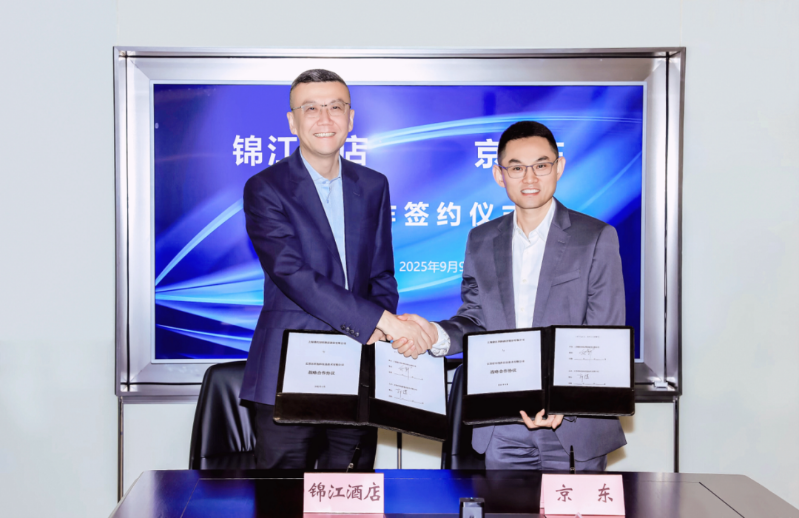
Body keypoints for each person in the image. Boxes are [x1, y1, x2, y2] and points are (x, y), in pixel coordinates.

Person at [394, 121, 626, 470]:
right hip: (502, 425)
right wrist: (435, 334)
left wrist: (566, 400)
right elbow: (475, 319)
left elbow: (603, 333)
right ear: (499, 175)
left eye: (541, 165)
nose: (529, 178)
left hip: (572, 426)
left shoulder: (595, 237)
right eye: (516, 168)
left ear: (559, 167)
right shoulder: (481, 240)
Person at [240, 69, 432, 470]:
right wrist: (380, 320)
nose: (325, 119)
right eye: (310, 108)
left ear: (351, 118)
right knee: (282, 498)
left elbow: (381, 273)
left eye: (335, 107)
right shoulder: (265, 187)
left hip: (358, 368)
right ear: (292, 121)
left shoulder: (373, 185)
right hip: (286, 374)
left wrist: (380, 327)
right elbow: (292, 274)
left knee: (350, 491)